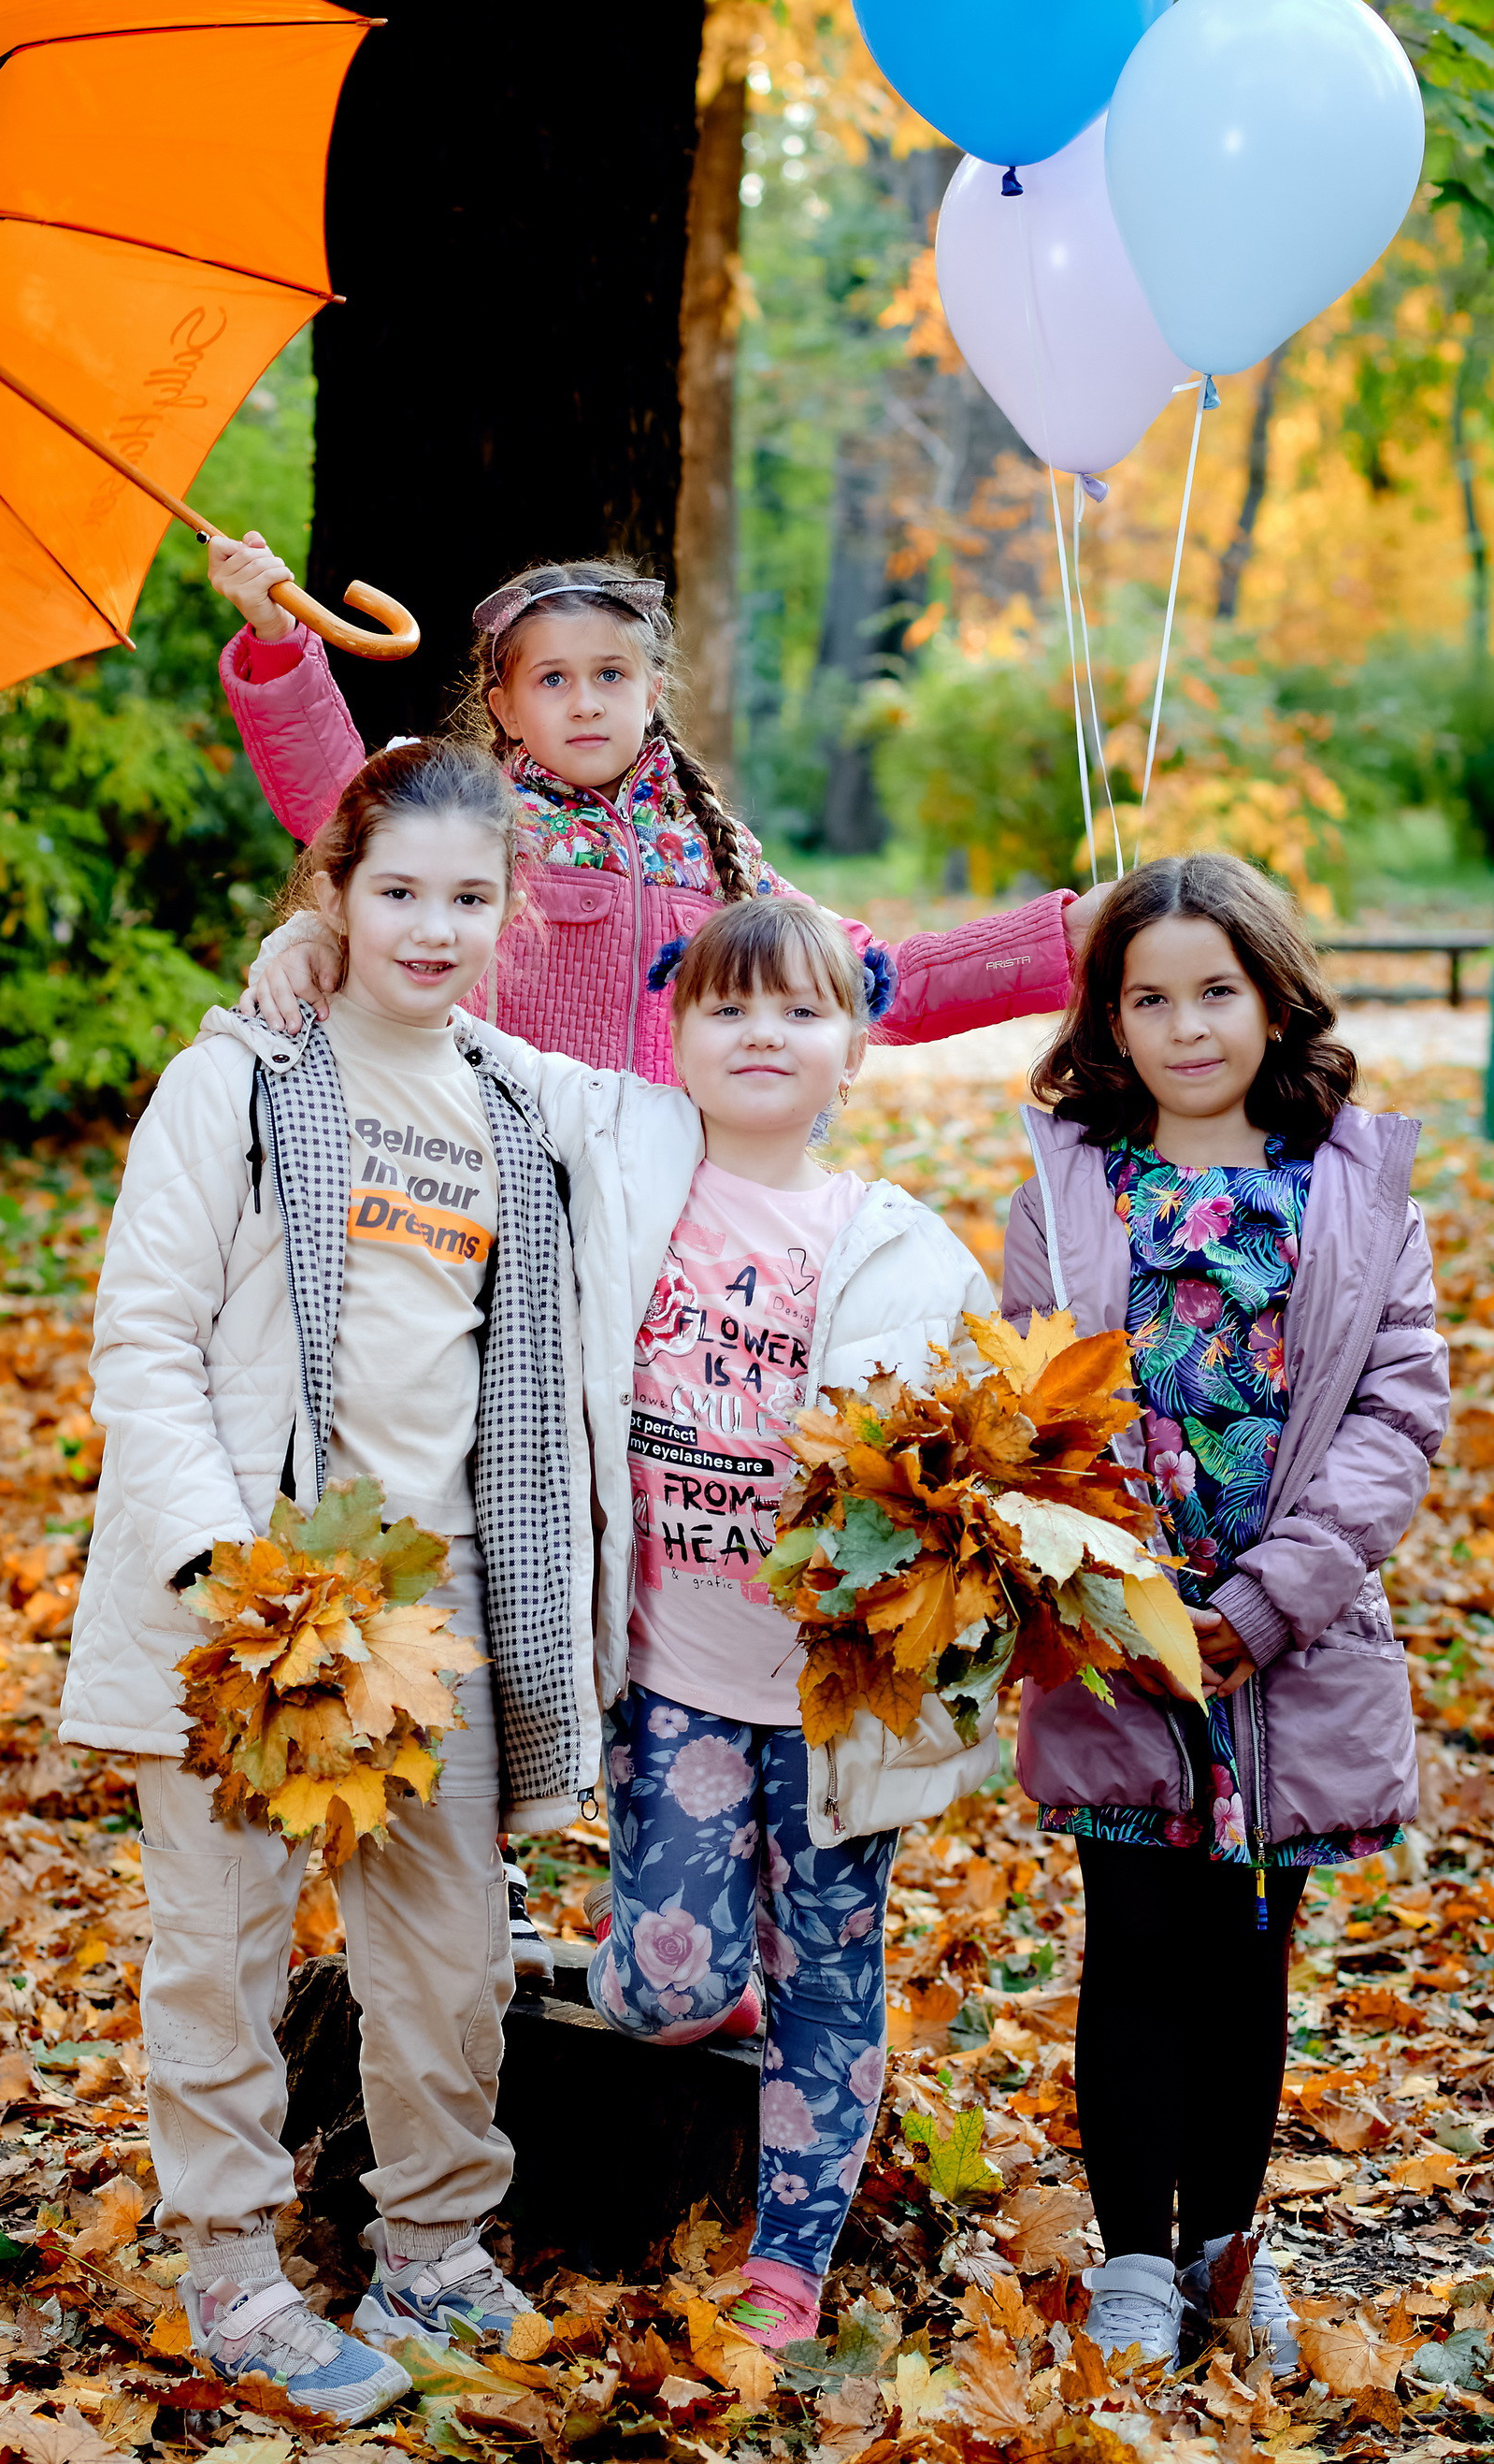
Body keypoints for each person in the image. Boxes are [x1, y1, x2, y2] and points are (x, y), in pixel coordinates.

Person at [56, 739, 613, 2422]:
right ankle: (228, 2266)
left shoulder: (522, 1103)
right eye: (394, 894)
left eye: (466, 897)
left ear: (512, 911)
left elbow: (741, 1086)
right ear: (333, 899)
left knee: (446, 1960)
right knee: (217, 1946)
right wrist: (227, 1562)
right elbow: (140, 1341)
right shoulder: (235, 1083)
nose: (430, 929)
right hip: (239, 1596)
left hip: (423, 1623)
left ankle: (433, 2249)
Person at [475, 897, 1004, 2350]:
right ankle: (697, 1984)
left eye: (797, 1010)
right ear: (674, 1033)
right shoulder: (634, 1154)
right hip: (676, 1675)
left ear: (852, 1046)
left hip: (834, 1697)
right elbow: (479, 1041)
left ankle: (787, 2256)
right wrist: (317, 954)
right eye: (724, 1007)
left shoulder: (903, 1248)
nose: (760, 1032)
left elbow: (985, 1461)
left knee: (826, 1968)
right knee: (661, 1989)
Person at [1000, 854, 1448, 2371]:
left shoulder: (1350, 1190)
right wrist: (1105, 1580)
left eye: (1214, 991)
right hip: (1119, 1632)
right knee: (1127, 1936)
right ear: (1104, 1017)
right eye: (1146, 996)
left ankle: (1219, 2244)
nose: (1184, 1025)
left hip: (1280, 1639)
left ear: (1268, 997)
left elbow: (1396, 1414)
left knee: (1246, 1947)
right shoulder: (1066, 1197)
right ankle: (1129, 2257)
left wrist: (1262, 1606)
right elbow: (1020, 1398)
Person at [213, 538, 1100, 1084]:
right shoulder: (475, 818)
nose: (586, 702)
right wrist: (277, 635)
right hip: (490, 1164)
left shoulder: (713, 854)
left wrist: (1066, 940)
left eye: (611, 676)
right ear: (508, 708)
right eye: (553, 680)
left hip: (663, 1195)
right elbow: (326, 797)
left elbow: (879, 984)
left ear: (653, 694)